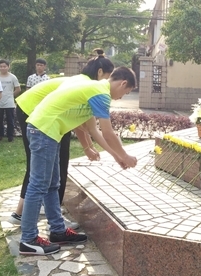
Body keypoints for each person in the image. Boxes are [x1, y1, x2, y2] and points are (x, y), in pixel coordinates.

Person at [19, 66, 138, 255]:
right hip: (44, 130)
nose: (122, 97)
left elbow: (93, 131)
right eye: (126, 92)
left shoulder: (95, 90)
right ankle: (28, 240)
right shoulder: (101, 93)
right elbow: (108, 132)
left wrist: (117, 157)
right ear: (123, 83)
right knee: (38, 185)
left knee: (52, 184)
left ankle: (58, 231)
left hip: (49, 131)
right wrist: (125, 156)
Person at [10, 50, 115, 226]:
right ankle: (31, 216)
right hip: (38, 114)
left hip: (35, 111)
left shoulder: (83, 82)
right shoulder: (88, 85)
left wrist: (88, 147)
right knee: (51, 166)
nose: (109, 83)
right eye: (108, 77)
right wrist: (93, 149)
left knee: (49, 166)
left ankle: (38, 215)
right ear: (100, 72)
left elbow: (78, 121)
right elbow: (83, 124)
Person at [0, 59, 21, 142]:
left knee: (10, 119)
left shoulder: (12, 77)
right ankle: (0, 135)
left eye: (5, 66)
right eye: (1, 66)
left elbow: (18, 89)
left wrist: (11, 95)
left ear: (8, 67)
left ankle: (10, 135)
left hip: (9, 102)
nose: (3, 68)